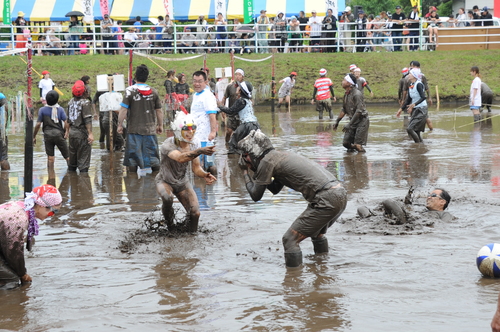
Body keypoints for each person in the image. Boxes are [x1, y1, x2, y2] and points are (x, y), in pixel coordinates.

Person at [237, 129, 347, 268]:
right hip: (339, 193)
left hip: (326, 198)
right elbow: (275, 189)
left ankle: (293, 283)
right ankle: (322, 268)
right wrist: (255, 171)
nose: (245, 160)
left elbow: (255, 196)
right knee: (317, 233)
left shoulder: (266, 162)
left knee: (289, 240)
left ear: (253, 154)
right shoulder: (278, 156)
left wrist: (245, 172)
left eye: (245, 156)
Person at [155, 111, 216, 233]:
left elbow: (196, 168)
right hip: (165, 181)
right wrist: (199, 151)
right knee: (167, 198)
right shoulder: (168, 144)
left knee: (195, 213)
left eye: (193, 128)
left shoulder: (194, 145)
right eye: (186, 129)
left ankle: (192, 237)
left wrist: (204, 174)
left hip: (182, 182)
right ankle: (170, 228)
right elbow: (181, 158)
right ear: (178, 131)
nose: (191, 132)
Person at [0, 184, 63, 289]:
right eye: (54, 211)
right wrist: (22, 274)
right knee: (11, 280)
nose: (52, 215)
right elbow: (14, 251)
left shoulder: (21, 206)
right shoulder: (19, 218)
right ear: (42, 206)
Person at [118, 64, 163, 172]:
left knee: (132, 161)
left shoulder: (129, 91)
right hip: (150, 131)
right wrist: (160, 125)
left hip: (134, 130)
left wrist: (120, 125)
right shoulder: (154, 91)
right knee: (154, 160)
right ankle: (155, 183)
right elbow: (159, 110)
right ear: (147, 77)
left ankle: (133, 186)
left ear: (135, 76)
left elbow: (123, 110)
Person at [358, 188, 453, 224]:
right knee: (361, 208)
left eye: (432, 195)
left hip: (405, 223)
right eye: (428, 195)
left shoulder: (445, 215)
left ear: (442, 202)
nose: (428, 197)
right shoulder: (422, 211)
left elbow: (443, 226)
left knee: (388, 202)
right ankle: (368, 219)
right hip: (402, 220)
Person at [218, 80, 259, 154]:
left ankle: (234, 162)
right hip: (255, 125)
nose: (236, 88)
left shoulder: (241, 101)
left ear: (240, 90)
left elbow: (231, 111)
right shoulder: (247, 100)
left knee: (233, 144)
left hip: (247, 125)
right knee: (250, 145)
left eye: (238, 87)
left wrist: (220, 106)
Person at [33, 90, 70, 173]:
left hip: (47, 135)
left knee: (50, 158)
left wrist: (34, 136)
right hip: (59, 134)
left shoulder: (42, 110)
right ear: (57, 100)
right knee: (67, 156)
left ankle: (51, 175)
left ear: (46, 100)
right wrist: (66, 132)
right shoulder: (60, 109)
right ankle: (72, 173)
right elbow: (66, 122)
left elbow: (38, 124)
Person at [190, 70, 218, 173]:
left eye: (200, 81)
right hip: (196, 135)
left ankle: (210, 185)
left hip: (205, 136)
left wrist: (213, 132)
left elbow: (212, 115)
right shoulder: (195, 95)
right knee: (198, 163)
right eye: (195, 81)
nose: (197, 84)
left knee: (206, 165)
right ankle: (203, 186)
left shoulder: (208, 96)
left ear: (206, 82)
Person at [333, 74, 369, 153]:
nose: (342, 82)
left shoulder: (357, 94)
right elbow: (344, 109)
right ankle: (352, 160)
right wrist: (337, 121)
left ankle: (362, 160)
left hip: (361, 120)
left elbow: (359, 111)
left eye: (344, 80)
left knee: (358, 145)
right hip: (353, 120)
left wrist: (349, 124)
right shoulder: (346, 94)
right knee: (346, 143)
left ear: (349, 83)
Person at [67, 80, 93, 173]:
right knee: (83, 164)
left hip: (72, 134)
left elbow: (68, 120)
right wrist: (90, 133)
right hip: (82, 134)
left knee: (72, 163)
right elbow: (87, 119)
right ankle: (83, 184)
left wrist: (67, 132)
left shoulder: (70, 102)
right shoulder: (85, 103)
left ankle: (73, 183)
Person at [396, 68, 428, 143]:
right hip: (414, 109)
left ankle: (417, 145)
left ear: (414, 76)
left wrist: (414, 104)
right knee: (416, 131)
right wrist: (401, 109)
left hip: (421, 109)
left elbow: (423, 97)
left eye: (410, 74)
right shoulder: (411, 84)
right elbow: (409, 99)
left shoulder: (419, 84)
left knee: (410, 129)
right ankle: (420, 146)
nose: (408, 75)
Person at [222, 68, 252, 144]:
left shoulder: (246, 87)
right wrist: (223, 109)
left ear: (243, 77)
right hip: (231, 112)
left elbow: (250, 98)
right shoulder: (230, 86)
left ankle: (239, 148)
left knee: (241, 133)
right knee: (229, 131)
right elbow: (225, 97)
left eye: (239, 75)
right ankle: (227, 144)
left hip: (241, 114)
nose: (237, 76)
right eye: (236, 74)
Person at [0, 93, 9, 170]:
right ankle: (5, 178)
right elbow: (7, 109)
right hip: (1, 129)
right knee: (3, 157)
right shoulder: (1, 96)